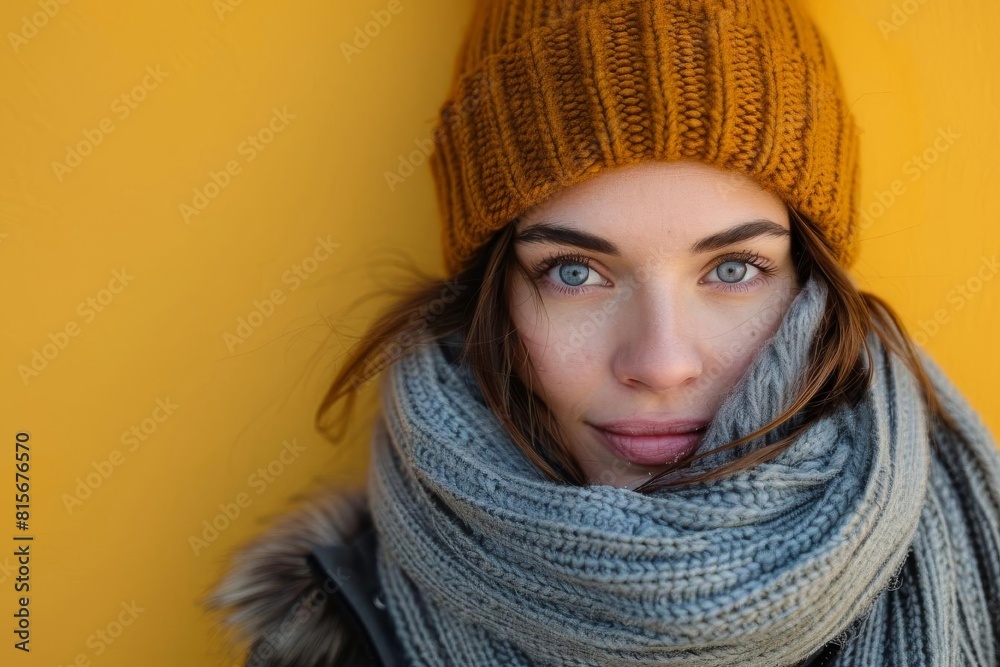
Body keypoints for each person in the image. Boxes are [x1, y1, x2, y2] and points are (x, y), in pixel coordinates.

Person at [201, 0, 1000, 665]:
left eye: (733, 269)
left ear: (811, 287)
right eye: (575, 272)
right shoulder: (343, 630)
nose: (660, 362)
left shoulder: (969, 559)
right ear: (495, 298)